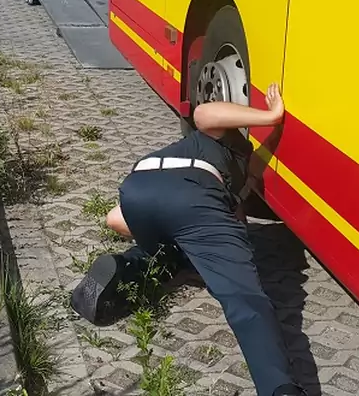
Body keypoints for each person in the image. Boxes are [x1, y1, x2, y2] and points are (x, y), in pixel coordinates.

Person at [70, 83, 304, 396]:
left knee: (169, 252)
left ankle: (127, 266)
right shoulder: (226, 141)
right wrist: (272, 116)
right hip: (194, 194)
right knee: (244, 300)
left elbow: (113, 218)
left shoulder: (188, 149)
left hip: (138, 187)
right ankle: (279, 388)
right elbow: (204, 113)